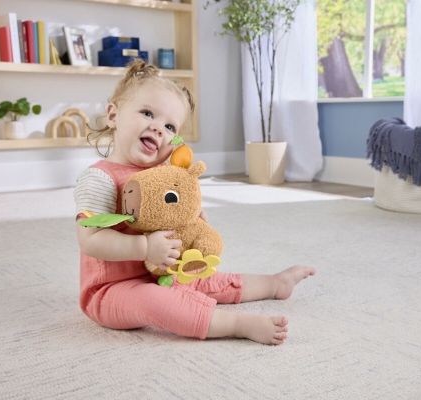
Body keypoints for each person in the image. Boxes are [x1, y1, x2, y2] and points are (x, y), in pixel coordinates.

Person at [74, 59, 315, 345]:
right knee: (154, 300)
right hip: (112, 289)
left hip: (163, 274)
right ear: (113, 115)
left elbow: (177, 212)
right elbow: (90, 240)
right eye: (147, 113)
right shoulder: (99, 178)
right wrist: (145, 247)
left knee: (205, 279)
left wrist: (192, 220)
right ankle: (235, 324)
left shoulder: (163, 177)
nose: (158, 128)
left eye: (170, 126)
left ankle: (275, 284)